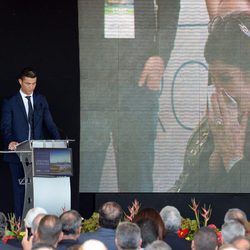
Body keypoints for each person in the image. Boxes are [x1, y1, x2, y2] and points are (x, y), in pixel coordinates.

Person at [79, 0, 180, 192]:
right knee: (82, 178)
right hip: (88, 77)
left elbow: (170, 4)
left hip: (138, 77)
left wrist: (161, 55)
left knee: (137, 185)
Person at [172, 11, 250, 192]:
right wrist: (215, 160)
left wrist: (233, 159)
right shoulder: (221, 126)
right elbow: (188, 190)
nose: (218, 91)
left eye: (226, 78)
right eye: (213, 80)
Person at [0, 67, 60, 218]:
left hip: (39, 155)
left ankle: (39, 225)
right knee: (20, 191)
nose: (31, 87)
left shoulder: (41, 100)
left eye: (34, 83)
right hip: (17, 155)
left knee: (39, 191)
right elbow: (5, 127)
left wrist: (59, 143)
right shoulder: (10, 102)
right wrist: (10, 141)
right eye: (27, 83)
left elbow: (50, 124)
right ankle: (20, 227)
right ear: (20, 82)